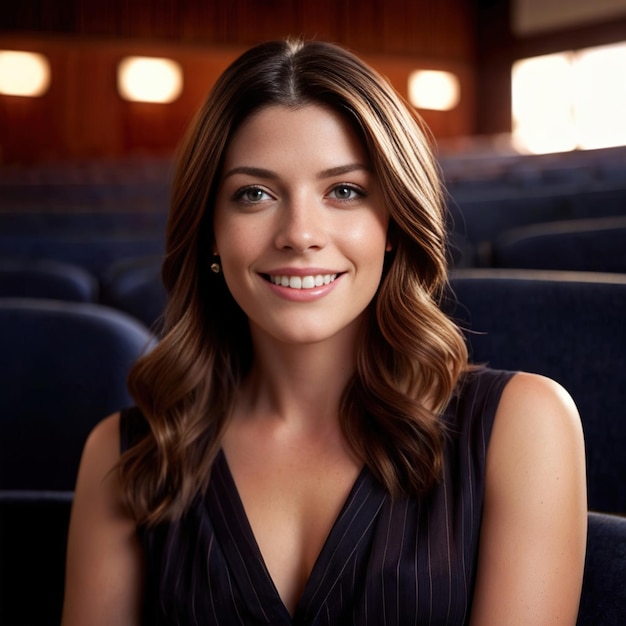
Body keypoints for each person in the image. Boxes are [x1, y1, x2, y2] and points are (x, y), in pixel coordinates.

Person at [62, 39, 587, 625]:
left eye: (344, 191)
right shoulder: (125, 452)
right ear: (211, 231)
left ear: (393, 223)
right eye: (254, 194)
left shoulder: (525, 425)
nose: (300, 234)